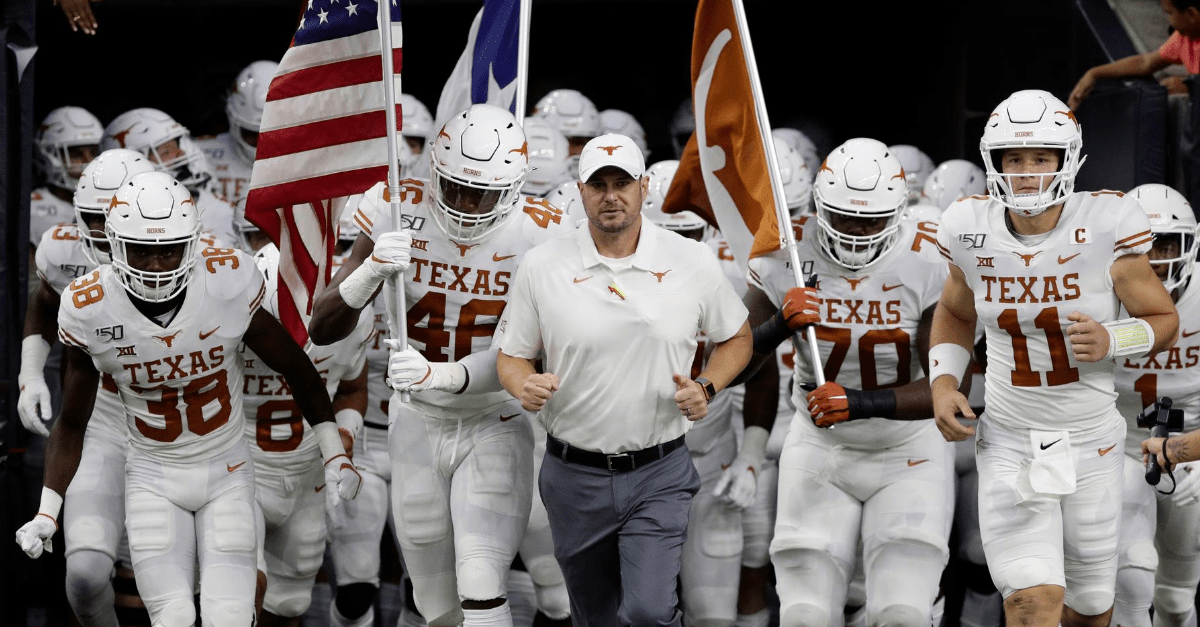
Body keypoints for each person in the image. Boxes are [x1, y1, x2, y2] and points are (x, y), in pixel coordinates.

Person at [14, 171, 362, 627]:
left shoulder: (228, 280)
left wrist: (335, 452)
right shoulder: (89, 305)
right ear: (113, 244)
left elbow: (297, 368)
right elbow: (74, 421)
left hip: (228, 473)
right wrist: (48, 511)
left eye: (168, 250)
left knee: (231, 618)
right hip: (153, 478)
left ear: (193, 243)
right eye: (142, 249)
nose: (156, 266)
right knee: (172, 617)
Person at [309, 103, 575, 627]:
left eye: (483, 193)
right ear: (433, 170)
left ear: (515, 189)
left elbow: (532, 353)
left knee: (480, 577)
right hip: (416, 419)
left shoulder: (545, 234)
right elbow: (323, 327)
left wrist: (441, 374)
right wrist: (367, 274)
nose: (466, 205)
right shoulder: (393, 207)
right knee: (434, 602)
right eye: (453, 186)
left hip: (494, 416)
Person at [931, 89, 1179, 627]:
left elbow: (1164, 320)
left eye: (1041, 157)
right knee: (1030, 599)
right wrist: (943, 382)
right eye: (1014, 159)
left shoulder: (1107, 224)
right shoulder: (968, 230)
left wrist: (1115, 339)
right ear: (994, 163)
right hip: (1010, 439)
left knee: (1090, 606)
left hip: (1092, 441)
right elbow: (955, 312)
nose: (1026, 172)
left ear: (1067, 159)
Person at [496, 133, 753, 627]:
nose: (610, 195)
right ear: (580, 190)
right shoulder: (542, 264)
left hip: (658, 469)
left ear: (644, 188)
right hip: (573, 473)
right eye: (598, 185)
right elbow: (512, 356)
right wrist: (521, 384)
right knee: (594, 617)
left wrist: (707, 387)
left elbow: (738, 337)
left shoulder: (691, 260)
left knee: (649, 611)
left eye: (622, 183)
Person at [746, 137, 953, 627]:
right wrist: (779, 325)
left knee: (902, 613)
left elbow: (945, 386)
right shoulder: (785, 252)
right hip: (819, 448)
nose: (858, 232)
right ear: (819, 206)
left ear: (901, 211)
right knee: (804, 614)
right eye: (843, 216)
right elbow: (736, 361)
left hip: (909, 451)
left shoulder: (928, 257)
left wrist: (860, 401)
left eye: (872, 219)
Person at [18, 148, 155, 627]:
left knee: (164, 584)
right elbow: (44, 299)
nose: (99, 232)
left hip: (175, 432)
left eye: (111, 217)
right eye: (92, 218)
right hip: (100, 421)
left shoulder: (189, 251)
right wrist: (30, 373)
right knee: (85, 574)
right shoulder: (63, 250)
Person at [240, 243, 371, 627]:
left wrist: (345, 433)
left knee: (291, 605)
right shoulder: (229, 320)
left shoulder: (349, 322)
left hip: (307, 477)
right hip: (240, 469)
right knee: (242, 590)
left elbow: (351, 389)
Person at [1112, 183, 1200, 627]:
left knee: (1177, 597)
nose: (1159, 259)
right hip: (1121, 444)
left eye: (1167, 244)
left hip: (1194, 446)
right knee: (1132, 576)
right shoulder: (1099, 293)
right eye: (1145, 246)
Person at [100, 107, 236, 245]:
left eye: (176, 146)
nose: (181, 155)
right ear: (131, 162)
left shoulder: (220, 210)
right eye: (166, 151)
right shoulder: (110, 219)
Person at [1069, 0, 1200, 110]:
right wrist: (1094, 74)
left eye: (1169, 13)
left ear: (1191, 14)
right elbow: (1145, 62)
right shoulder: (1183, 38)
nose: (1168, 20)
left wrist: (1190, 86)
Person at [198, 60, 278, 204]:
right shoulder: (199, 155)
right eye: (251, 134)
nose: (260, 144)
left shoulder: (309, 163)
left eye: (270, 135)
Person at [31, 106, 102, 248]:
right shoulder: (31, 210)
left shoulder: (111, 203)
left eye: (94, 152)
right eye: (76, 154)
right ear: (50, 157)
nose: (88, 162)